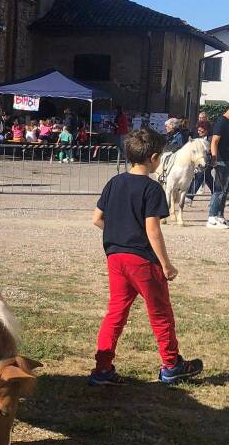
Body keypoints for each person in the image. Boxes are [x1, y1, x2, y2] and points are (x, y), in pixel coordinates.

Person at [89, 127, 203, 386]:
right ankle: (171, 364)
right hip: (142, 260)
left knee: (116, 313)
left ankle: (102, 368)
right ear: (153, 158)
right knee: (161, 312)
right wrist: (166, 264)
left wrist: (120, 231)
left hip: (116, 257)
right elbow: (153, 230)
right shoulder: (152, 189)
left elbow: (97, 219)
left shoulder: (114, 182)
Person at [207, 105, 229, 229]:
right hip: (220, 160)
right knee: (219, 189)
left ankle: (220, 216)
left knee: (224, 191)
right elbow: (214, 141)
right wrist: (214, 159)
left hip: (227, 159)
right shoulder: (221, 122)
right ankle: (212, 216)